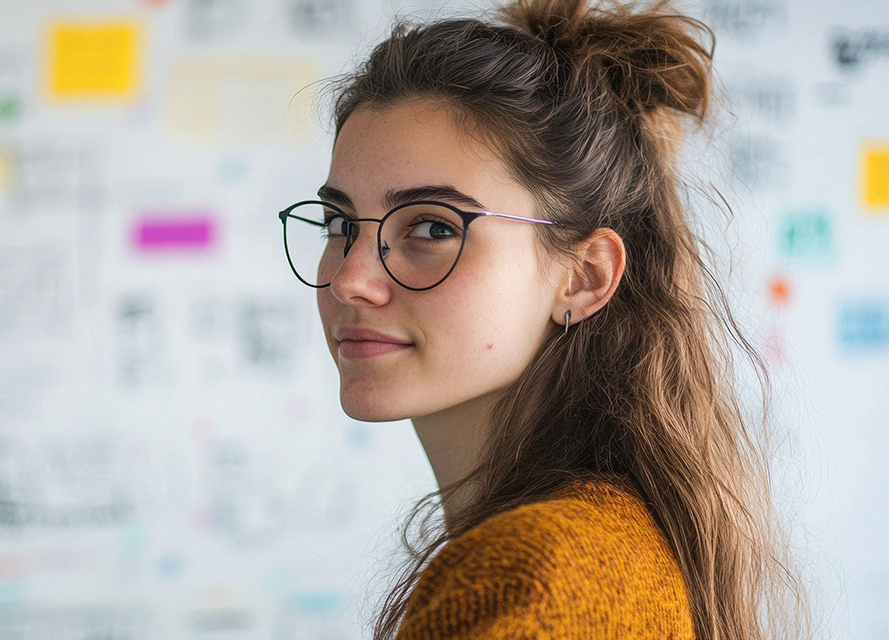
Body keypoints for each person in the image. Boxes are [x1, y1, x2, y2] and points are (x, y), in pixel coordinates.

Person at [276, 0, 814, 637]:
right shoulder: (591, 548)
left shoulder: (541, 575)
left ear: (583, 277)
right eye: (339, 224)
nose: (350, 279)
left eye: (431, 227)